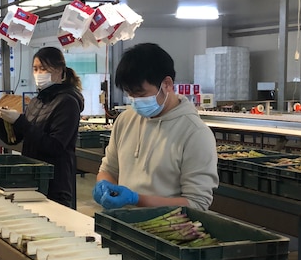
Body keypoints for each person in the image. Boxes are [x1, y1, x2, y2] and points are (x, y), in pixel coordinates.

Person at [93, 43, 218, 211]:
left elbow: (197, 203)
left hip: (165, 230)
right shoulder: (125, 120)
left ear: (166, 84)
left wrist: (136, 199)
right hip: (122, 225)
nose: (135, 101)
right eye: (130, 94)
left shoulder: (195, 133)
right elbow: (109, 169)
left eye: (141, 94)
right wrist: (104, 183)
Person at [0, 47, 84, 207]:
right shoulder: (36, 101)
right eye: (35, 69)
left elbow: (55, 146)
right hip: (32, 176)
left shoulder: (68, 102)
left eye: (44, 68)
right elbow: (15, 139)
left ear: (60, 70)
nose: (39, 73)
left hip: (55, 182)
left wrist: (20, 121)